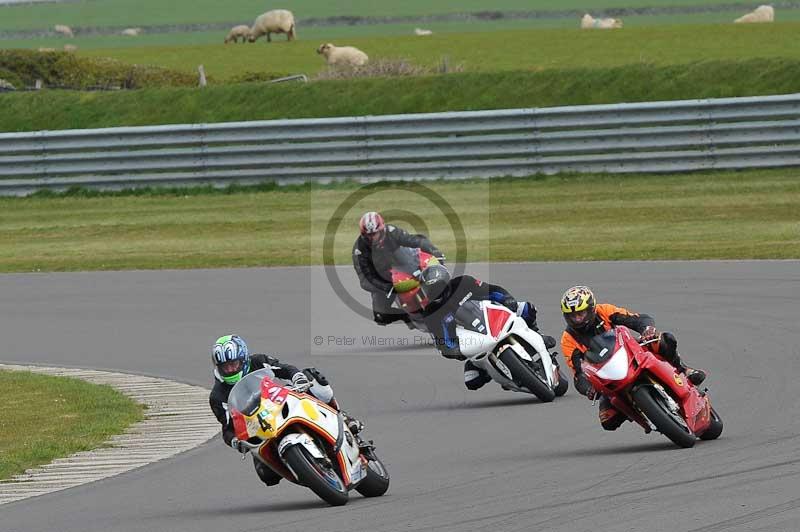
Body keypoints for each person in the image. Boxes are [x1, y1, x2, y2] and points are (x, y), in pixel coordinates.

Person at [208, 334, 364, 486]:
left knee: (314, 378)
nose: (230, 369)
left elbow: (285, 369)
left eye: (233, 364)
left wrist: (297, 377)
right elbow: (227, 428)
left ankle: (342, 416)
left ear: (243, 359)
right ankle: (304, 468)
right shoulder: (217, 396)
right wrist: (235, 441)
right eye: (225, 367)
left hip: (279, 401)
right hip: (259, 426)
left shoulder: (258, 361)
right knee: (266, 474)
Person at [559, 285, 707, 431]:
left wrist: (647, 329)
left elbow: (637, 319)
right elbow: (578, 373)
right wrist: (588, 389)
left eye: (581, 313)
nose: (577, 319)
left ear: (591, 308)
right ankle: (639, 410)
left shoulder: (604, 310)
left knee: (663, 340)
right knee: (608, 420)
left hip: (630, 352)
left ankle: (683, 369)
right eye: (572, 316)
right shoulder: (568, 339)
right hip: (607, 377)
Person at [416, 264, 555, 391]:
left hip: (493, 317)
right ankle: (492, 370)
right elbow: (440, 338)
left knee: (525, 308)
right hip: (474, 340)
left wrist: (506, 298)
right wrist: (451, 350)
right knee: (472, 380)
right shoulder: (431, 312)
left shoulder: (463, 282)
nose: (436, 291)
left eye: (438, 286)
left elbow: (492, 290)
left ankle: (537, 335)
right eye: (431, 289)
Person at [353, 211, 444, 326]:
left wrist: (434, 251)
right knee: (381, 316)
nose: (372, 238)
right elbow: (364, 279)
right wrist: (385, 287)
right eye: (369, 235)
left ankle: (445, 296)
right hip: (383, 279)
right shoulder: (359, 250)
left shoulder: (391, 232)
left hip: (402, 264)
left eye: (375, 234)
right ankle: (410, 316)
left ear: (382, 229)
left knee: (431, 274)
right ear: (363, 234)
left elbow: (415, 240)